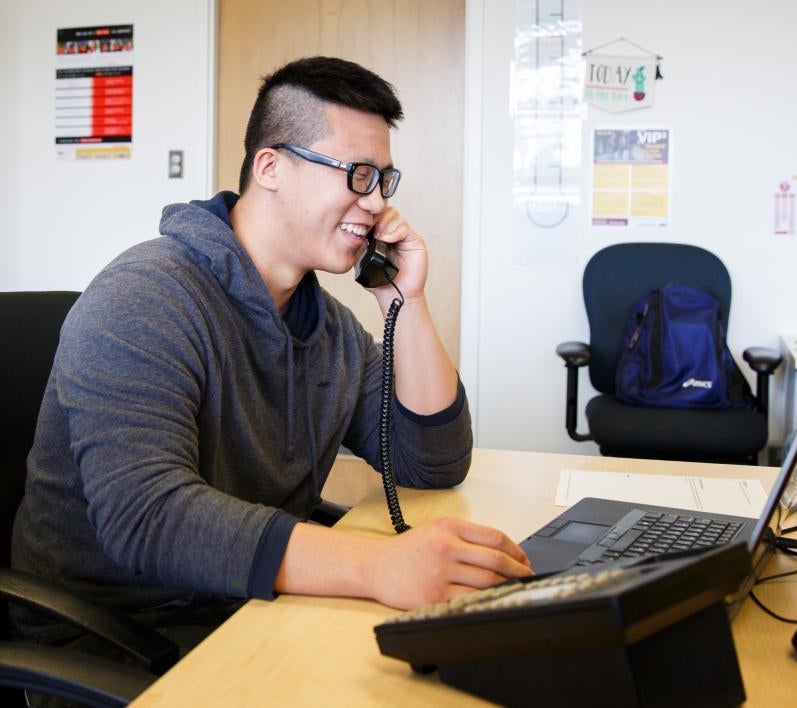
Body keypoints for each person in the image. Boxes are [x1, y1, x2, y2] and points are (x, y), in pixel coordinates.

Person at [11, 56, 532, 653]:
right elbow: (147, 518)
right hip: (120, 635)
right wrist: (377, 565)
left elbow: (430, 463)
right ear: (271, 167)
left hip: (248, 604)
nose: (376, 203)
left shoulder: (327, 328)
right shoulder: (145, 297)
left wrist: (405, 303)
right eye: (357, 174)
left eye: (384, 179)